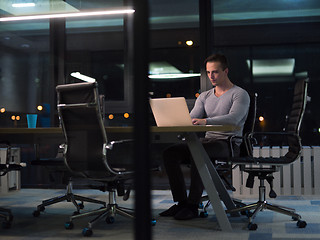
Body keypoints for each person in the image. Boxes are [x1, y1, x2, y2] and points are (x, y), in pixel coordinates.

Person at [159, 53, 250, 220]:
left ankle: (193, 206)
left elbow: (234, 119)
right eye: (208, 72)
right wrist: (179, 121)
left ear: (226, 71)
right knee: (170, 153)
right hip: (207, 141)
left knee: (199, 151)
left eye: (215, 72)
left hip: (228, 143)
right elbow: (192, 119)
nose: (211, 76)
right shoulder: (205, 96)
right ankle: (181, 203)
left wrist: (205, 121)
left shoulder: (239, 94)